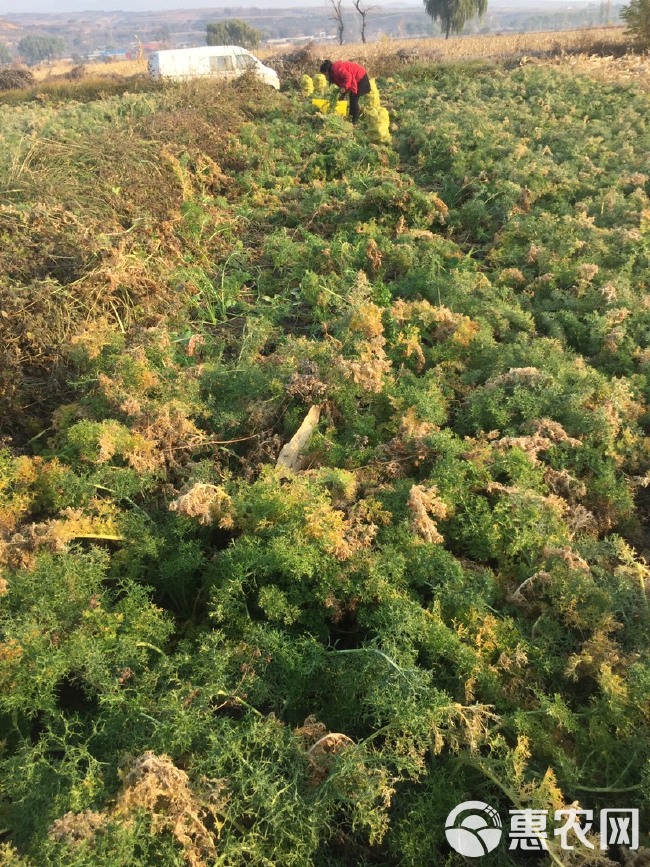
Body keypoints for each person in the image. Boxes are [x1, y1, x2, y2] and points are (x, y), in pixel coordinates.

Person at [319, 59, 371, 125]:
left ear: (326, 70)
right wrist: (343, 95)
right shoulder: (333, 74)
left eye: (325, 74)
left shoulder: (336, 69)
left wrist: (344, 87)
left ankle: (355, 122)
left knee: (354, 99)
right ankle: (351, 118)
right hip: (356, 79)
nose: (325, 77)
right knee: (352, 97)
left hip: (361, 77)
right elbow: (343, 84)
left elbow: (348, 77)